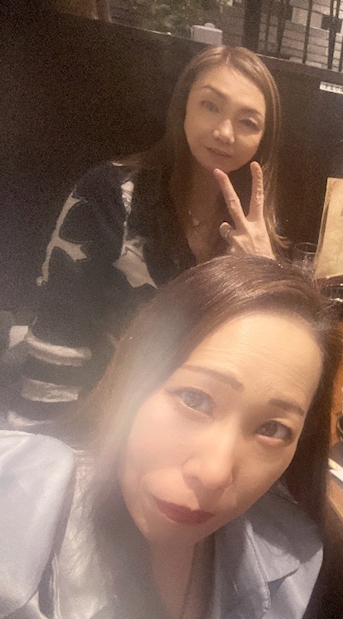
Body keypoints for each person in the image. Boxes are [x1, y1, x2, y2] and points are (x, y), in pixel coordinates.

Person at [0, 255, 342, 619]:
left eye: (272, 429)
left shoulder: (290, 555)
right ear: (133, 380)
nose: (214, 473)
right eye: (194, 399)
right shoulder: (21, 502)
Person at [10, 45, 285, 432]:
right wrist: (47, 442)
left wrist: (264, 276)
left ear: (262, 140)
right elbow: (59, 334)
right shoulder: (109, 194)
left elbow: (263, 359)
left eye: (248, 122)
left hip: (196, 425)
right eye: (210, 106)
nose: (225, 132)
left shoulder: (256, 224)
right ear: (183, 107)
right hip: (97, 418)